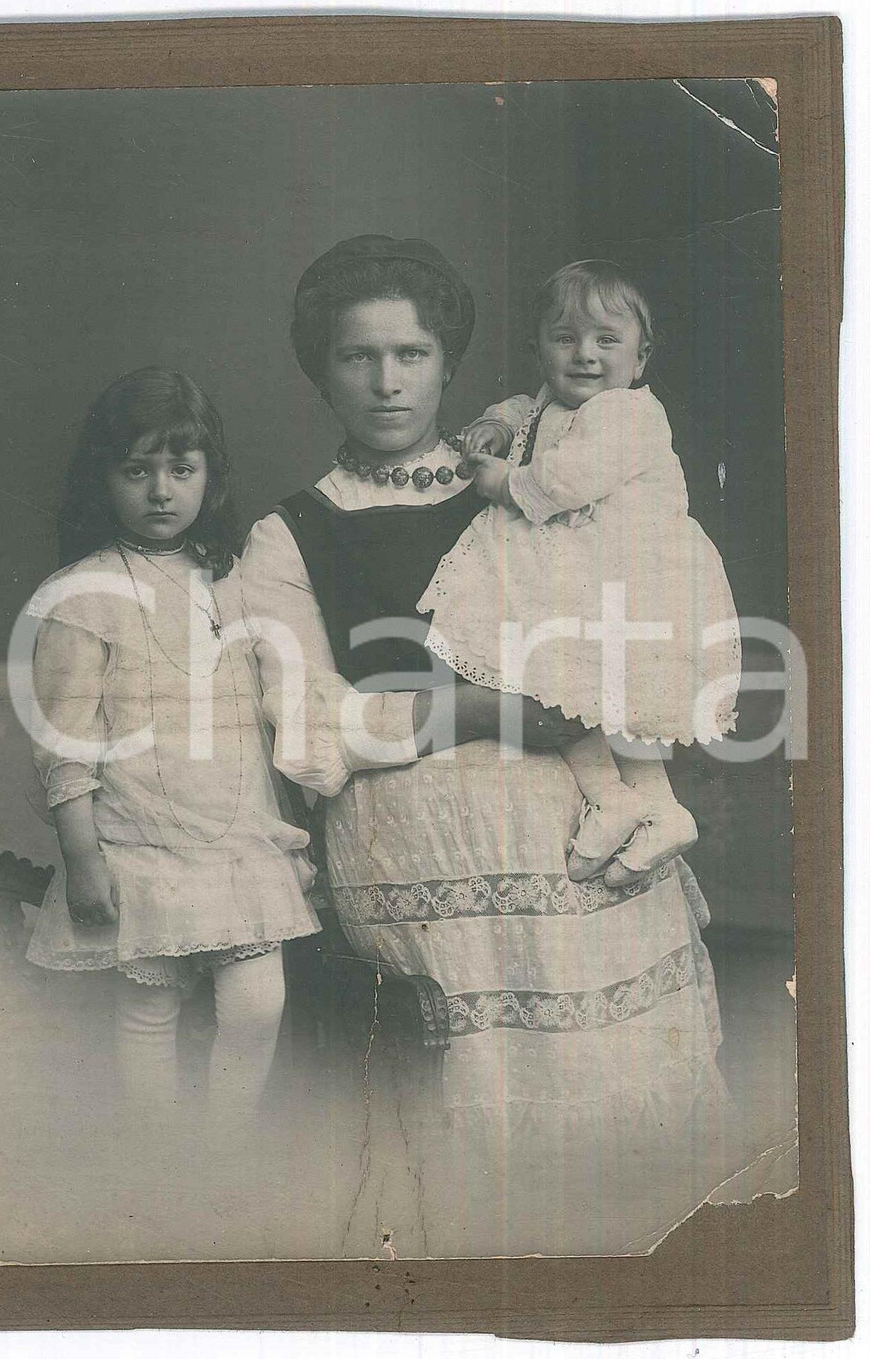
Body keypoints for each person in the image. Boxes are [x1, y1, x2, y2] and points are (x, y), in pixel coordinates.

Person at [241, 235, 738, 1256]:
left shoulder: (543, 481)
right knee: (460, 1187)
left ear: (449, 362)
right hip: (416, 859)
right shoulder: (288, 535)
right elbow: (312, 730)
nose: (387, 382)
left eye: (412, 355)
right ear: (320, 370)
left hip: (581, 839)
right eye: (357, 357)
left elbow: (643, 608)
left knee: (620, 1171)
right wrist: (479, 715)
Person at [24, 367, 319, 1124]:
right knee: (148, 1011)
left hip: (235, 835)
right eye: (137, 470)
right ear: (105, 479)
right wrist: (83, 855)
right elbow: (64, 736)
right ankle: (160, 1158)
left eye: (181, 470)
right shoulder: (82, 592)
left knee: (257, 1005)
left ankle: (224, 1149)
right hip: (139, 841)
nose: (161, 491)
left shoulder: (234, 581)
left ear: (208, 478)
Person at [420, 259, 742, 885]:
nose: (585, 355)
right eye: (565, 339)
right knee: (557, 685)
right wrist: (495, 422)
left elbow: (568, 480)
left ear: (640, 358)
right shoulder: (550, 399)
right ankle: (619, 799)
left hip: (627, 576)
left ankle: (659, 803)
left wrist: (504, 482)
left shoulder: (629, 415)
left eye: (606, 340)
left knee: (613, 695)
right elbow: (526, 410)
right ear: (540, 350)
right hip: (572, 574)